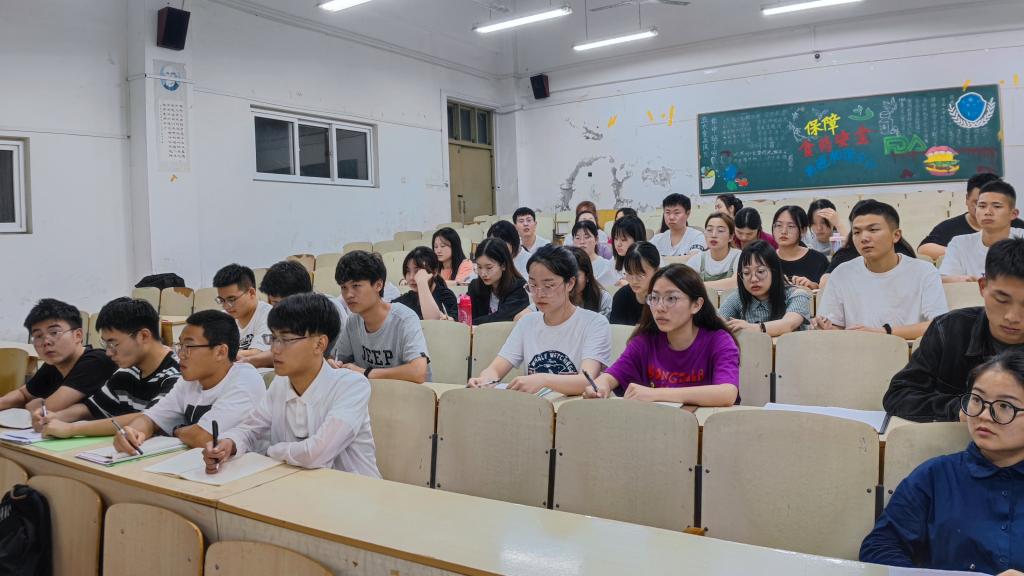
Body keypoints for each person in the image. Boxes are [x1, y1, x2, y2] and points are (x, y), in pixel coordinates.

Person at [861, 350, 1024, 574]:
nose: (984, 415)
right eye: (977, 400)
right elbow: (879, 548)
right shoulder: (935, 476)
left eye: (1005, 406)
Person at [202, 293, 380, 478]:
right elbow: (250, 429)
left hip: (353, 490)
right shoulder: (281, 383)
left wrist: (271, 451)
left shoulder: (352, 386)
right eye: (273, 338)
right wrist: (229, 444)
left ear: (319, 344)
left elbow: (315, 453)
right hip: (297, 485)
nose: (274, 349)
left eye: (285, 340)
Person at [883, 238, 1024, 422]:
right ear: (982, 287)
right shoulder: (949, 330)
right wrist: (961, 408)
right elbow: (899, 395)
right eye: (1002, 300)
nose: (1012, 317)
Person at [110, 310, 266, 454]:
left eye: (189, 346)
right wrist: (131, 432)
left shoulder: (245, 380)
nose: (181, 355)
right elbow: (150, 418)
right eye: (180, 346)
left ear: (220, 352)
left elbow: (203, 438)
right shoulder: (190, 380)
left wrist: (176, 429)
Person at [583, 264, 739, 405]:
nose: (659, 307)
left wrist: (654, 394)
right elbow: (611, 376)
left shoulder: (718, 340)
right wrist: (600, 386)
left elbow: (727, 393)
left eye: (671, 298)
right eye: (654, 298)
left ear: (696, 305)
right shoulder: (645, 341)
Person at [469, 245, 611, 396]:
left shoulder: (594, 323)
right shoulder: (527, 323)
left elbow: (587, 381)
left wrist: (543, 380)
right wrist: (483, 380)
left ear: (570, 283)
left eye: (548, 286)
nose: (539, 294)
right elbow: (496, 369)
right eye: (533, 285)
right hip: (535, 407)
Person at [40, 298, 180, 438]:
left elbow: (149, 418)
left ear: (143, 336)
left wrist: (72, 429)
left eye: (113, 344)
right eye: (105, 344)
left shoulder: (177, 374)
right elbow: (92, 408)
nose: (108, 353)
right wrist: (56, 417)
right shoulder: (127, 371)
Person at [813, 200, 947, 340]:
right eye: (857, 232)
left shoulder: (924, 271)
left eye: (873, 230)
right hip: (858, 350)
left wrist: (884, 333)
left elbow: (939, 325)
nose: (864, 238)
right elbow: (835, 327)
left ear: (896, 235)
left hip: (912, 351)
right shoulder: (841, 273)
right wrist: (827, 329)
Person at [0, 299, 115, 415]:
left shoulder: (97, 361)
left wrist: (39, 404)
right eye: (38, 336)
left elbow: (47, 409)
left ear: (78, 335)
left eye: (54, 333)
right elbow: (23, 394)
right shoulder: (53, 364)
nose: (46, 342)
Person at [332, 251, 430, 383]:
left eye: (356, 286)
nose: (348, 294)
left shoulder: (404, 319)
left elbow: (418, 372)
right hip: (372, 392)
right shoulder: (353, 321)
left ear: (378, 285)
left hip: (407, 393)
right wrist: (333, 364)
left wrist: (366, 373)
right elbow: (339, 359)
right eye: (344, 287)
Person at [243, 259, 327, 370]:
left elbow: (296, 354)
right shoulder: (290, 316)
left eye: (278, 304)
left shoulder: (323, 312)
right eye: (273, 303)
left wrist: (250, 360)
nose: (276, 310)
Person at [918, 173, 1023, 261]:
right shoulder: (950, 227)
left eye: (995, 205)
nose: (986, 210)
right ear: (967, 199)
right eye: (979, 203)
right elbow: (924, 249)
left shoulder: (1017, 226)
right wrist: (966, 252)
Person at [718, 241, 811, 336]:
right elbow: (716, 321)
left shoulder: (797, 295)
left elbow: (789, 324)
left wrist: (753, 328)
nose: (753, 279)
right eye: (746, 273)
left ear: (774, 272)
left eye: (760, 271)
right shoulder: (738, 297)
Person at [940, 180, 1024, 282]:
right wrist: (966, 280)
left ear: (1013, 214)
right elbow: (944, 279)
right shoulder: (959, 243)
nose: (988, 212)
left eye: (997, 206)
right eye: (982, 206)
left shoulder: (1021, 237)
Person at [517, 246, 613, 319]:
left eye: (575, 275)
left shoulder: (602, 299)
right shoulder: (554, 297)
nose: (569, 280)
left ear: (587, 276)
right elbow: (521, 316)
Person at [213, 263, 272, 359]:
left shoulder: (269, 315)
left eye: (231, 299)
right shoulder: (223, 319)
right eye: (222, 300)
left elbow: (258, 354)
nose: (226, 306)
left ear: (251, 293)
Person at [466, 238, 530, 325]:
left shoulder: (519, 287)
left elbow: (502, 318)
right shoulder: (475, 286)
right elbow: (466, 314)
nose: (483, 273)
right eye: (479, 267)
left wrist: (469, 323)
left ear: (503, 265)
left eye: (489, 267)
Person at [391, 247, 458, 320]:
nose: (411, 277)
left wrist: (422, 282)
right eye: (408, 271)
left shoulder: (446, 296)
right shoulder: (408, 298)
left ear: (435, 272)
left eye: (417, 271)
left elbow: (434, 321)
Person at [772, 205, 829, 289]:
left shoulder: (818, 260)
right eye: (779, 225)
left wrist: (813, 286)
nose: (783, 231)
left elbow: (827, 291)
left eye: (790, 226)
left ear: (803, 230)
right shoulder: (767, 259)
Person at [609, 241, 660, 326]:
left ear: (657, 271)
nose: (634, 281)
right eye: (629, 273)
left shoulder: (664, 300)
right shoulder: (621, 297)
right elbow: (616, 331)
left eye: (640, 275)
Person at [686, 212, 740, 290]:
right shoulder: (698, 259)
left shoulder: (739, 256)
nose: (713, 235)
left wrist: (698, 286)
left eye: (720, 231)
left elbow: (736, 282)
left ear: (731, 237)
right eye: (709, 230)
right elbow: (684, 283)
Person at [572, 220, 620, 288]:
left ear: (596, 239)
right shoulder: (569, 265)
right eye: (577, 238)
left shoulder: (607, 266)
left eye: (586, 237)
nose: (582, 242)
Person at [610, 215, 647, 280]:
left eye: (623, 240)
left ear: (636, 239)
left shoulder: (648, 261)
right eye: (615, 239)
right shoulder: (613, 261)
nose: (618, 244)